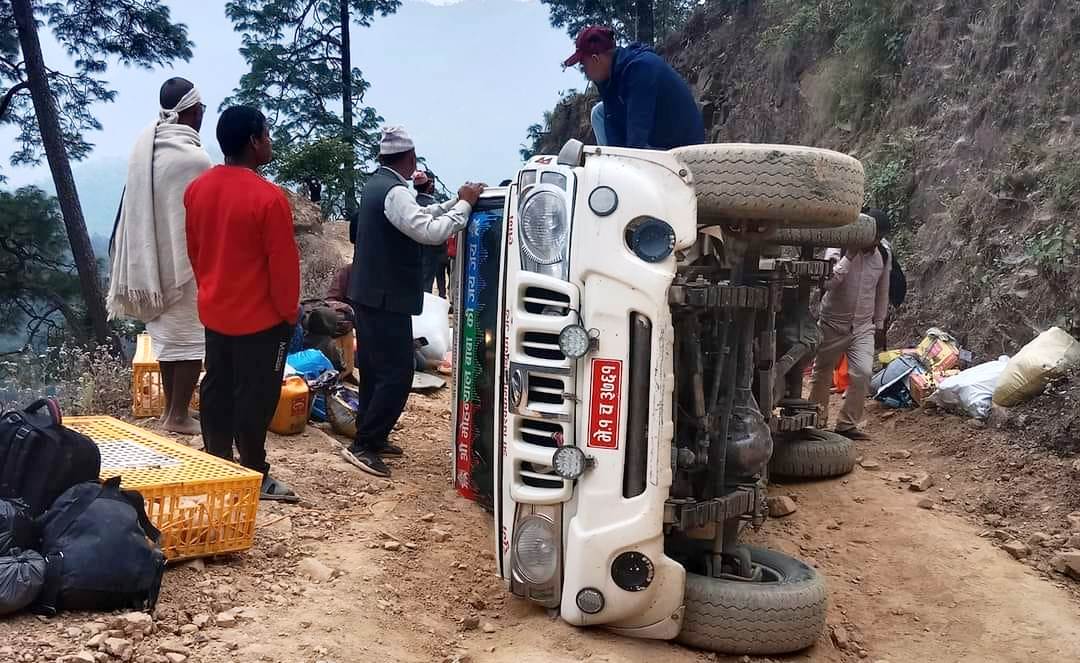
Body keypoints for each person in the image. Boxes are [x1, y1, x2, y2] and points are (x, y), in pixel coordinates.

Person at [343, 126, 484, 477]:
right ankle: (364, 444)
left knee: (376, 370)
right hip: (384, 297)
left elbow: (424, 214)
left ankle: (370, 437)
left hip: (373, 293)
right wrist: (465, 205)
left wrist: (455, 203)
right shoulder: (395, 192)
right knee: (398, 373)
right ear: (409, 158)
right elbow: (429, 231)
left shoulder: (379, 186)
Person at [185, 105, 301, 502]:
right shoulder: (269, 198)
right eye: (266, 135)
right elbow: (282, 267)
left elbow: (196, 252)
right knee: (257, 395)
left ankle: (216, 461)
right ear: (253, 142)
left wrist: (210, 290)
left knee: (216, 386)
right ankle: (253, 471)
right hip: (260, 321)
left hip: (215, 311)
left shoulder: (197, 190)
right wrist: (289, 314)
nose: (269, 141)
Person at [107, 77, 212, 435]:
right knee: (189, 340)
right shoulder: (194, 158)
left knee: (168, 340)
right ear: (193, 111)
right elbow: (202, 215)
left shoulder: (147, 147)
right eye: (201, 110)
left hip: (152, 262)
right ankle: (179, 415)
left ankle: (170, 411)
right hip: (184, 263)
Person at [809, 209, 893, 440]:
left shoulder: (883, 254)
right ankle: (815, 421)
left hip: (863, 326)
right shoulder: (838, 246)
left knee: (863, 373)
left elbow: (882, 290)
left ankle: (847, 425)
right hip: (832, 322)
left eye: (879, 238)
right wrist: (850, 256)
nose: (875, 242)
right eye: (873, 237)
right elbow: (828, 283)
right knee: (822, 373)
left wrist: (879, 324)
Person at [563, 25, 705, 150]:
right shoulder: (610, 81)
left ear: (596, 59)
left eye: (583, 64)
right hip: (657, 138)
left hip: (683, 148)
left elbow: (637, 137)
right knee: (599, 112)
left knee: (630, 150)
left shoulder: (641, 68)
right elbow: (614, 133)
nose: (585, 71)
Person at [416, 170, 449, 299]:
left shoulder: (413, 203)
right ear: (430, 185)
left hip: (416, 250)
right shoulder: (434, 206)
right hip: (434, 250)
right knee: (429, 283)